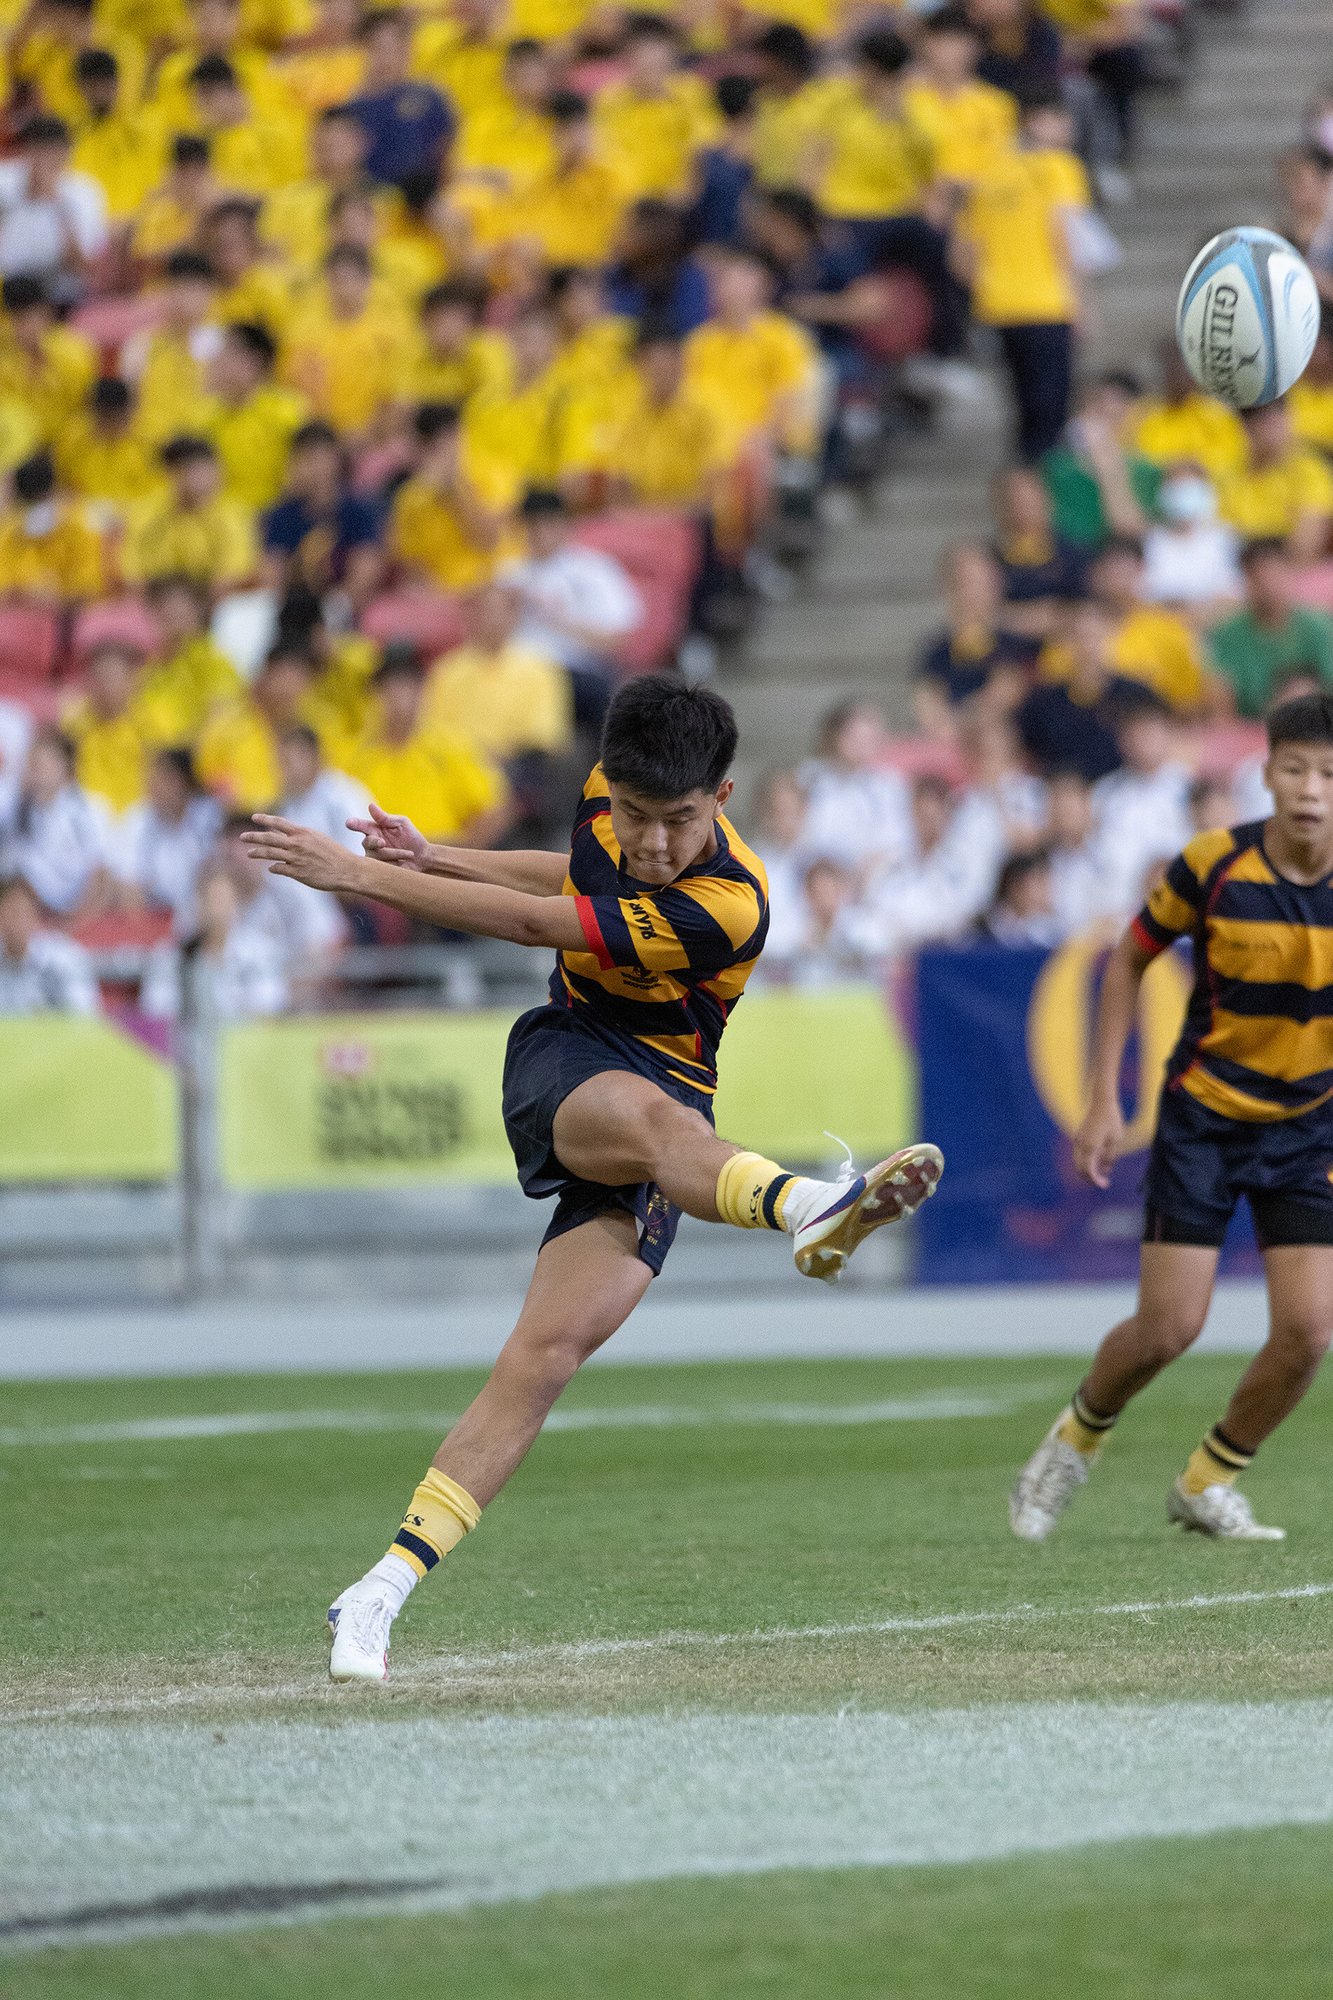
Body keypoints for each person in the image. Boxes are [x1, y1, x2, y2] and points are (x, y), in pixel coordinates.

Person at [240, 674, 945, 1681]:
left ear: (725, 798)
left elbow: (545, 923)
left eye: (679, 820)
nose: (652, 842)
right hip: (567, 1057)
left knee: (544, 1357)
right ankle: (808, 1204)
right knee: (656, 1126)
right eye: (635, 815)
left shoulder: (727, 905)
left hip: (671, 1100)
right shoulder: (603, 801)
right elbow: (567, 874)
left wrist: (356, 878)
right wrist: (431, 854)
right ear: (608, 783)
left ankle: (378, 1588)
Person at [1011, 691, 1333, 1544]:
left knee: (1306, 1332)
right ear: (1265, 774)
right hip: (1203, 1123)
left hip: (1305, 1130)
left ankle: (1207, 1480)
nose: (1310, 789)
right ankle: (1075, 1435)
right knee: (1167, 1330)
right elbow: (1128, 960)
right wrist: (1101, 1099)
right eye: (1295, 769)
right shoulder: (1213, 865)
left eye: (1328, 775)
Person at [956, 91, 1090, 464]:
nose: (1068, 127)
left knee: (1024, 410)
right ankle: (1047, 495)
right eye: (1059, 117)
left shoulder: (986, 173)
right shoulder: (1058, 167)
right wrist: (1080, 303)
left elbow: (963, 257)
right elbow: (1065, 236)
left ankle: (1025, 487)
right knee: (1051, 413)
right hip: (1048, 303)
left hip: (998, 306)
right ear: (1035, 119)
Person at [499, 489, 642, 732]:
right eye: (531, 524)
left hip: (574, 671)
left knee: (601, 697)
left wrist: (558, 618)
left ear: (565, 524)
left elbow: (616, 640)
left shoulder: (595, 570)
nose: (539, 531)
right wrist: (508, 608)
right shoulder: (508, 574)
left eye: (547, 523)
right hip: (514, 672)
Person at [1210, 538, 1333, 719]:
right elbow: (1221, 712)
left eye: (1276, 574)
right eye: (1259, 578)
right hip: (1252, 734)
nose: (1269, 586)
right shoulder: (1226, 636)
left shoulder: (1321, 627)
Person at [915, 540, 1028, 736]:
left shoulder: (1014, 644)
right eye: (966, 581)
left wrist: (959, 719)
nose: (977, 590)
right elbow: (929, 710)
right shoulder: (936, 649)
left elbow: (1005, 697)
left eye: (983, 580)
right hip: (952, 744)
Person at [1, 727, 114, 915]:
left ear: (65, 767)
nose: (33, 772)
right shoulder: (23, 807)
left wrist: (77, 921)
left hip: (72, 907)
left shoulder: (90, 809)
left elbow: (100, 876)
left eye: (39, 765)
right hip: (33, 905)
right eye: (31, 764)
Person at [113, 747, 222, 928]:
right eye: (151, 780)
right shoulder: (140, 818)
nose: (152, 787)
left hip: (202, 917)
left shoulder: (208, 815)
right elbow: (129, 883)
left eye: (161, 780)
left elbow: (215, 873)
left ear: (182, 782)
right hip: (158, 918)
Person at [0, 872, 98, 1014]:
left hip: (60, 1035)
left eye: (19, 913)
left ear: (35, 917)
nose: (13, 922)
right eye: (5, 913)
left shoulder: (65, 959)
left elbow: (83, 1015)